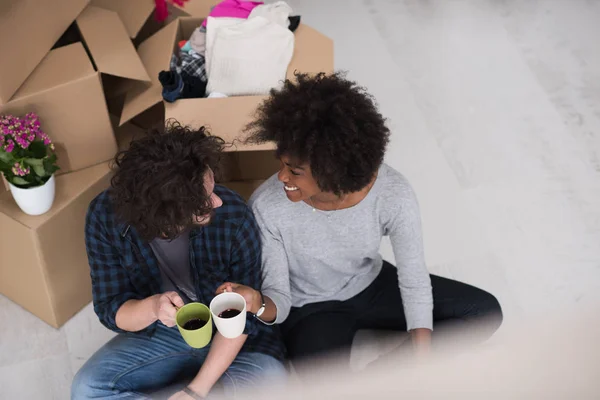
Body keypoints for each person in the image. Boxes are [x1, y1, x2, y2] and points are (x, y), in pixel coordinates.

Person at [217, 72, 503, 371]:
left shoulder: (393, 194)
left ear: (332, 171)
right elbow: (281, 300)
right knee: (324, 384)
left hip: (371, 284)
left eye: (294, 170)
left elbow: (414, 281)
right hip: (311, 309)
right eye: (282, 163)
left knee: (485, 312)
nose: (282, 177)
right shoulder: (267, 205)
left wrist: (419, 357)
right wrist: (257, 303)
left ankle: (377, 377)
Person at [71, 121, 286, 400]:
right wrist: (153, 308)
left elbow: (245, 319)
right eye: (205, 200)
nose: (218, 202)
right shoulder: (105, 216)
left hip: (232, 339)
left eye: (212, 188)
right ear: (168, 216)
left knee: (274, 383)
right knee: (86, 389)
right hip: (166, 334)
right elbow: (111, 307)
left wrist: (195, 391)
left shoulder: (233, 214)